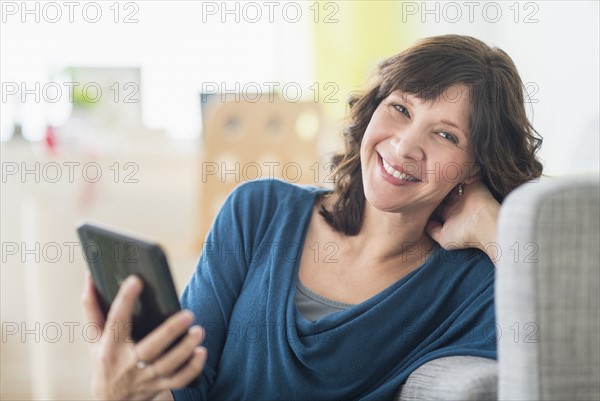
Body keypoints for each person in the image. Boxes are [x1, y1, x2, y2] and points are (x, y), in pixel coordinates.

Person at [82, 34, 543, 400]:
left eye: (445, 134)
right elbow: (188, 389)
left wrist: (493, 225)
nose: (404, 145)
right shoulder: (257, 212)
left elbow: (573, 352)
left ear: (476, 166)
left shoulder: (474, 284)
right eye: (400, 108)